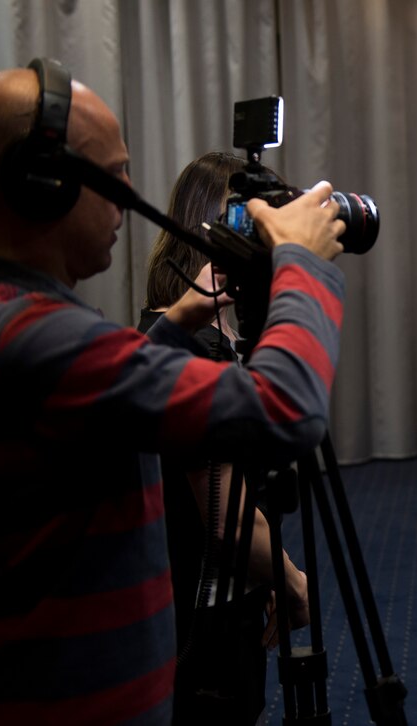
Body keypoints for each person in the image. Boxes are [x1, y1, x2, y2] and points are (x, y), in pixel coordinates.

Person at [0, 59, 345, 723]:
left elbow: (98, 421)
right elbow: (284, 411)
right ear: (45, 183)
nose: (130, 192)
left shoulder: (11, 316)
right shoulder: (41, 338)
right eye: (115, 173)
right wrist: (303, 263)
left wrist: (175, 320)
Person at [139, 152, 310, 724]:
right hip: (204, 630)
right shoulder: (194, 351)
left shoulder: (156, 330)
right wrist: (291, 582)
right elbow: (231, 525)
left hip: (187, 613)